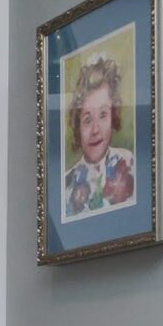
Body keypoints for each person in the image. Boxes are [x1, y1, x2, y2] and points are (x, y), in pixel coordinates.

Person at [61, 53, 138, 218]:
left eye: (103, 115)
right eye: (87, 119)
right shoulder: (65, 185)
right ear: (77, 126)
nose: (95, 129)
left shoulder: (129, 163)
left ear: (113, 117)